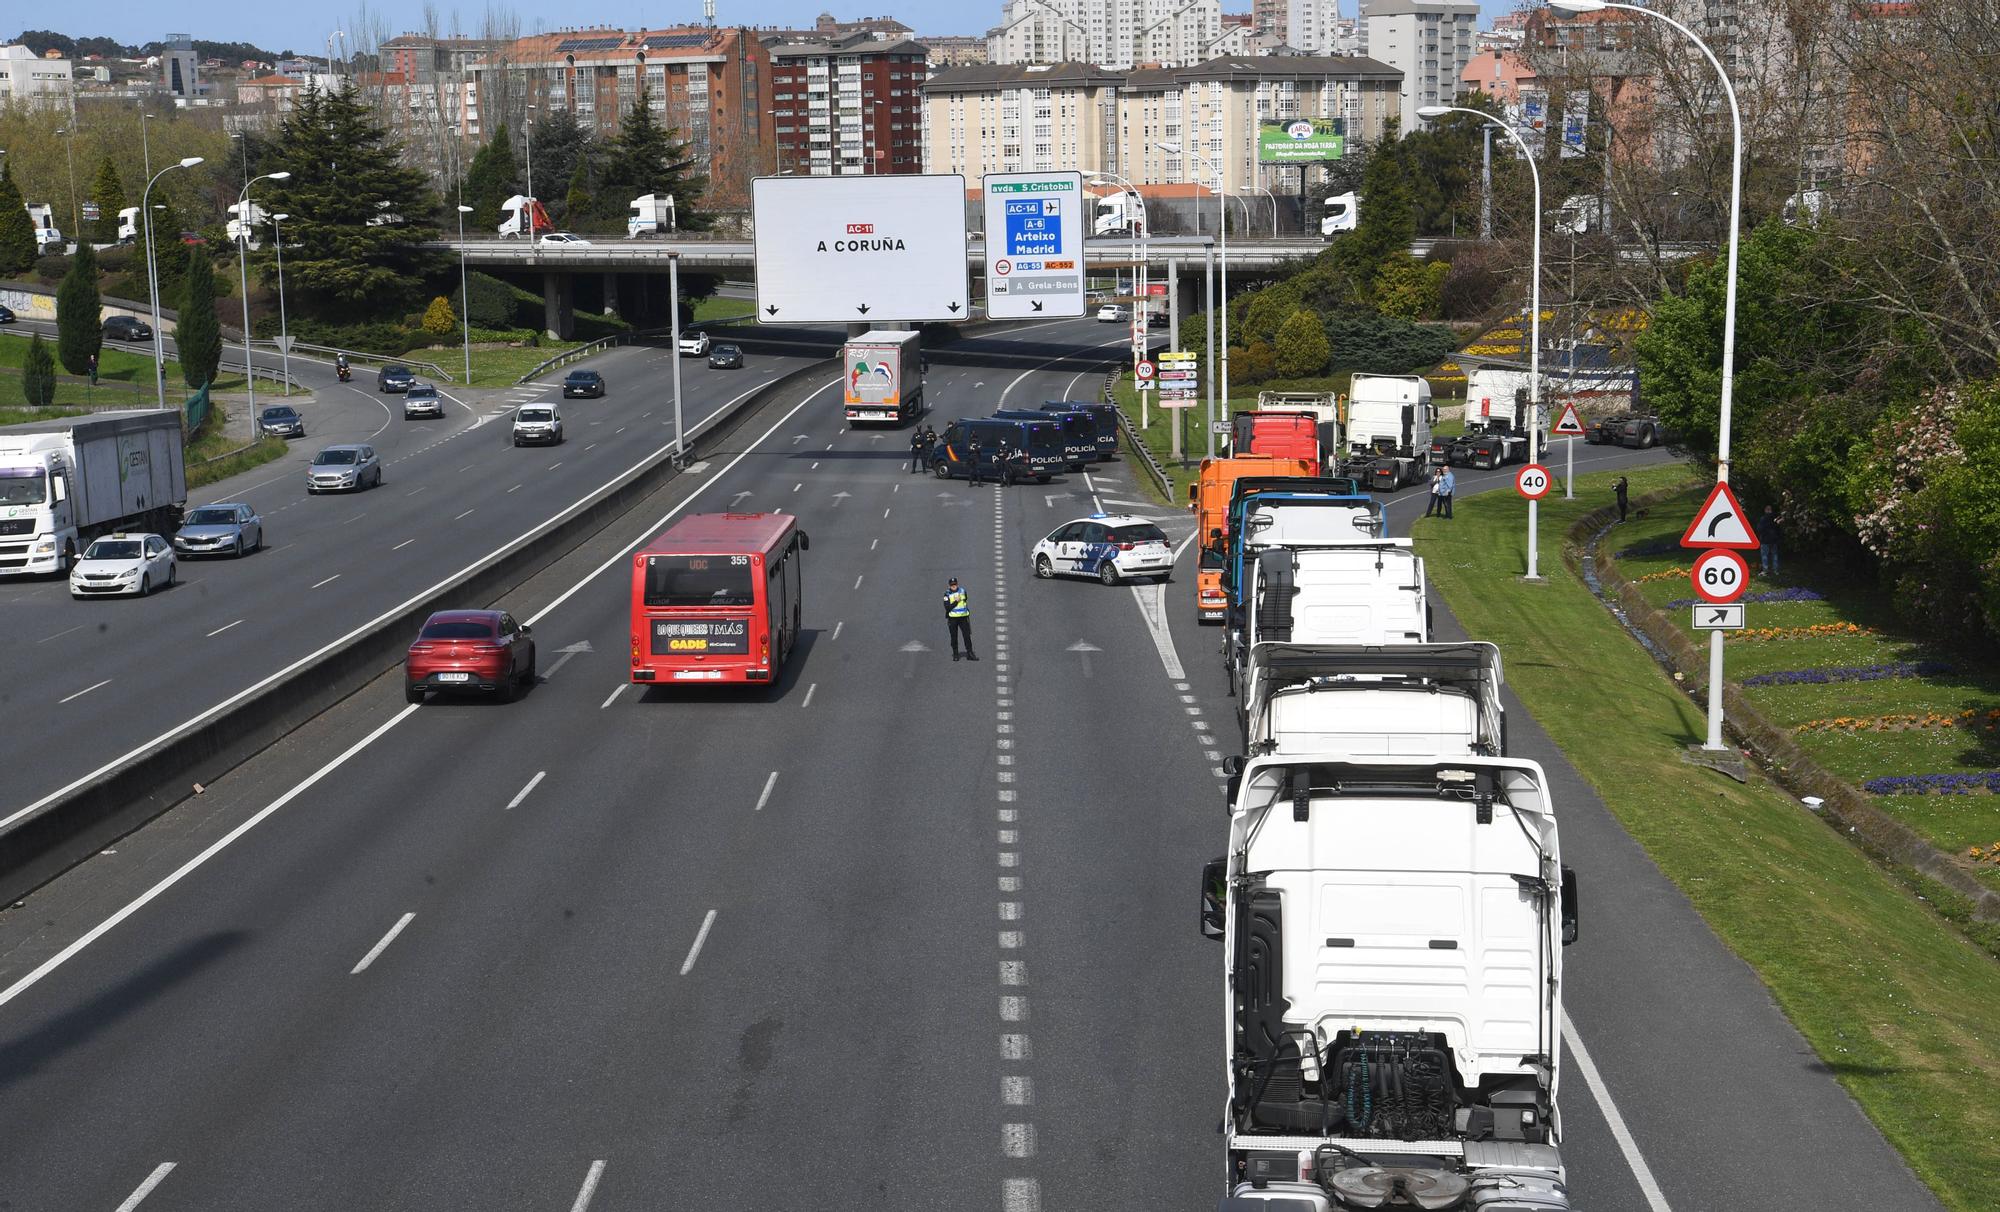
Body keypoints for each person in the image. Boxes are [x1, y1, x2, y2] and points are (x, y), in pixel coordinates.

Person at [943, 577, 976, 661]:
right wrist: (956, 601)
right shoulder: (947, 594)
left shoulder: (962, 591)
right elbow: (947, 607)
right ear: (949, 586)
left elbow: (965, 599)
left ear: (957, 584)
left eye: (955, 584)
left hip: (963, 617)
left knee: (967, 636)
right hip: (953, 619)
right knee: (954, 637)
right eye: (952, 585)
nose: (953, 586)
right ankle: (955, 654)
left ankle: (970, 653)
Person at [1760, 505, 1781, 575]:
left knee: (1764, 556)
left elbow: (1759, 529)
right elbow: (1778, 529)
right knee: (1774, 555)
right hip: (1774, 540)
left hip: (1765, 540)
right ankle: (1775, 571)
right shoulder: (1775, 519)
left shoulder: (1763, 519)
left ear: (1765, 510)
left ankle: (1765, 570)